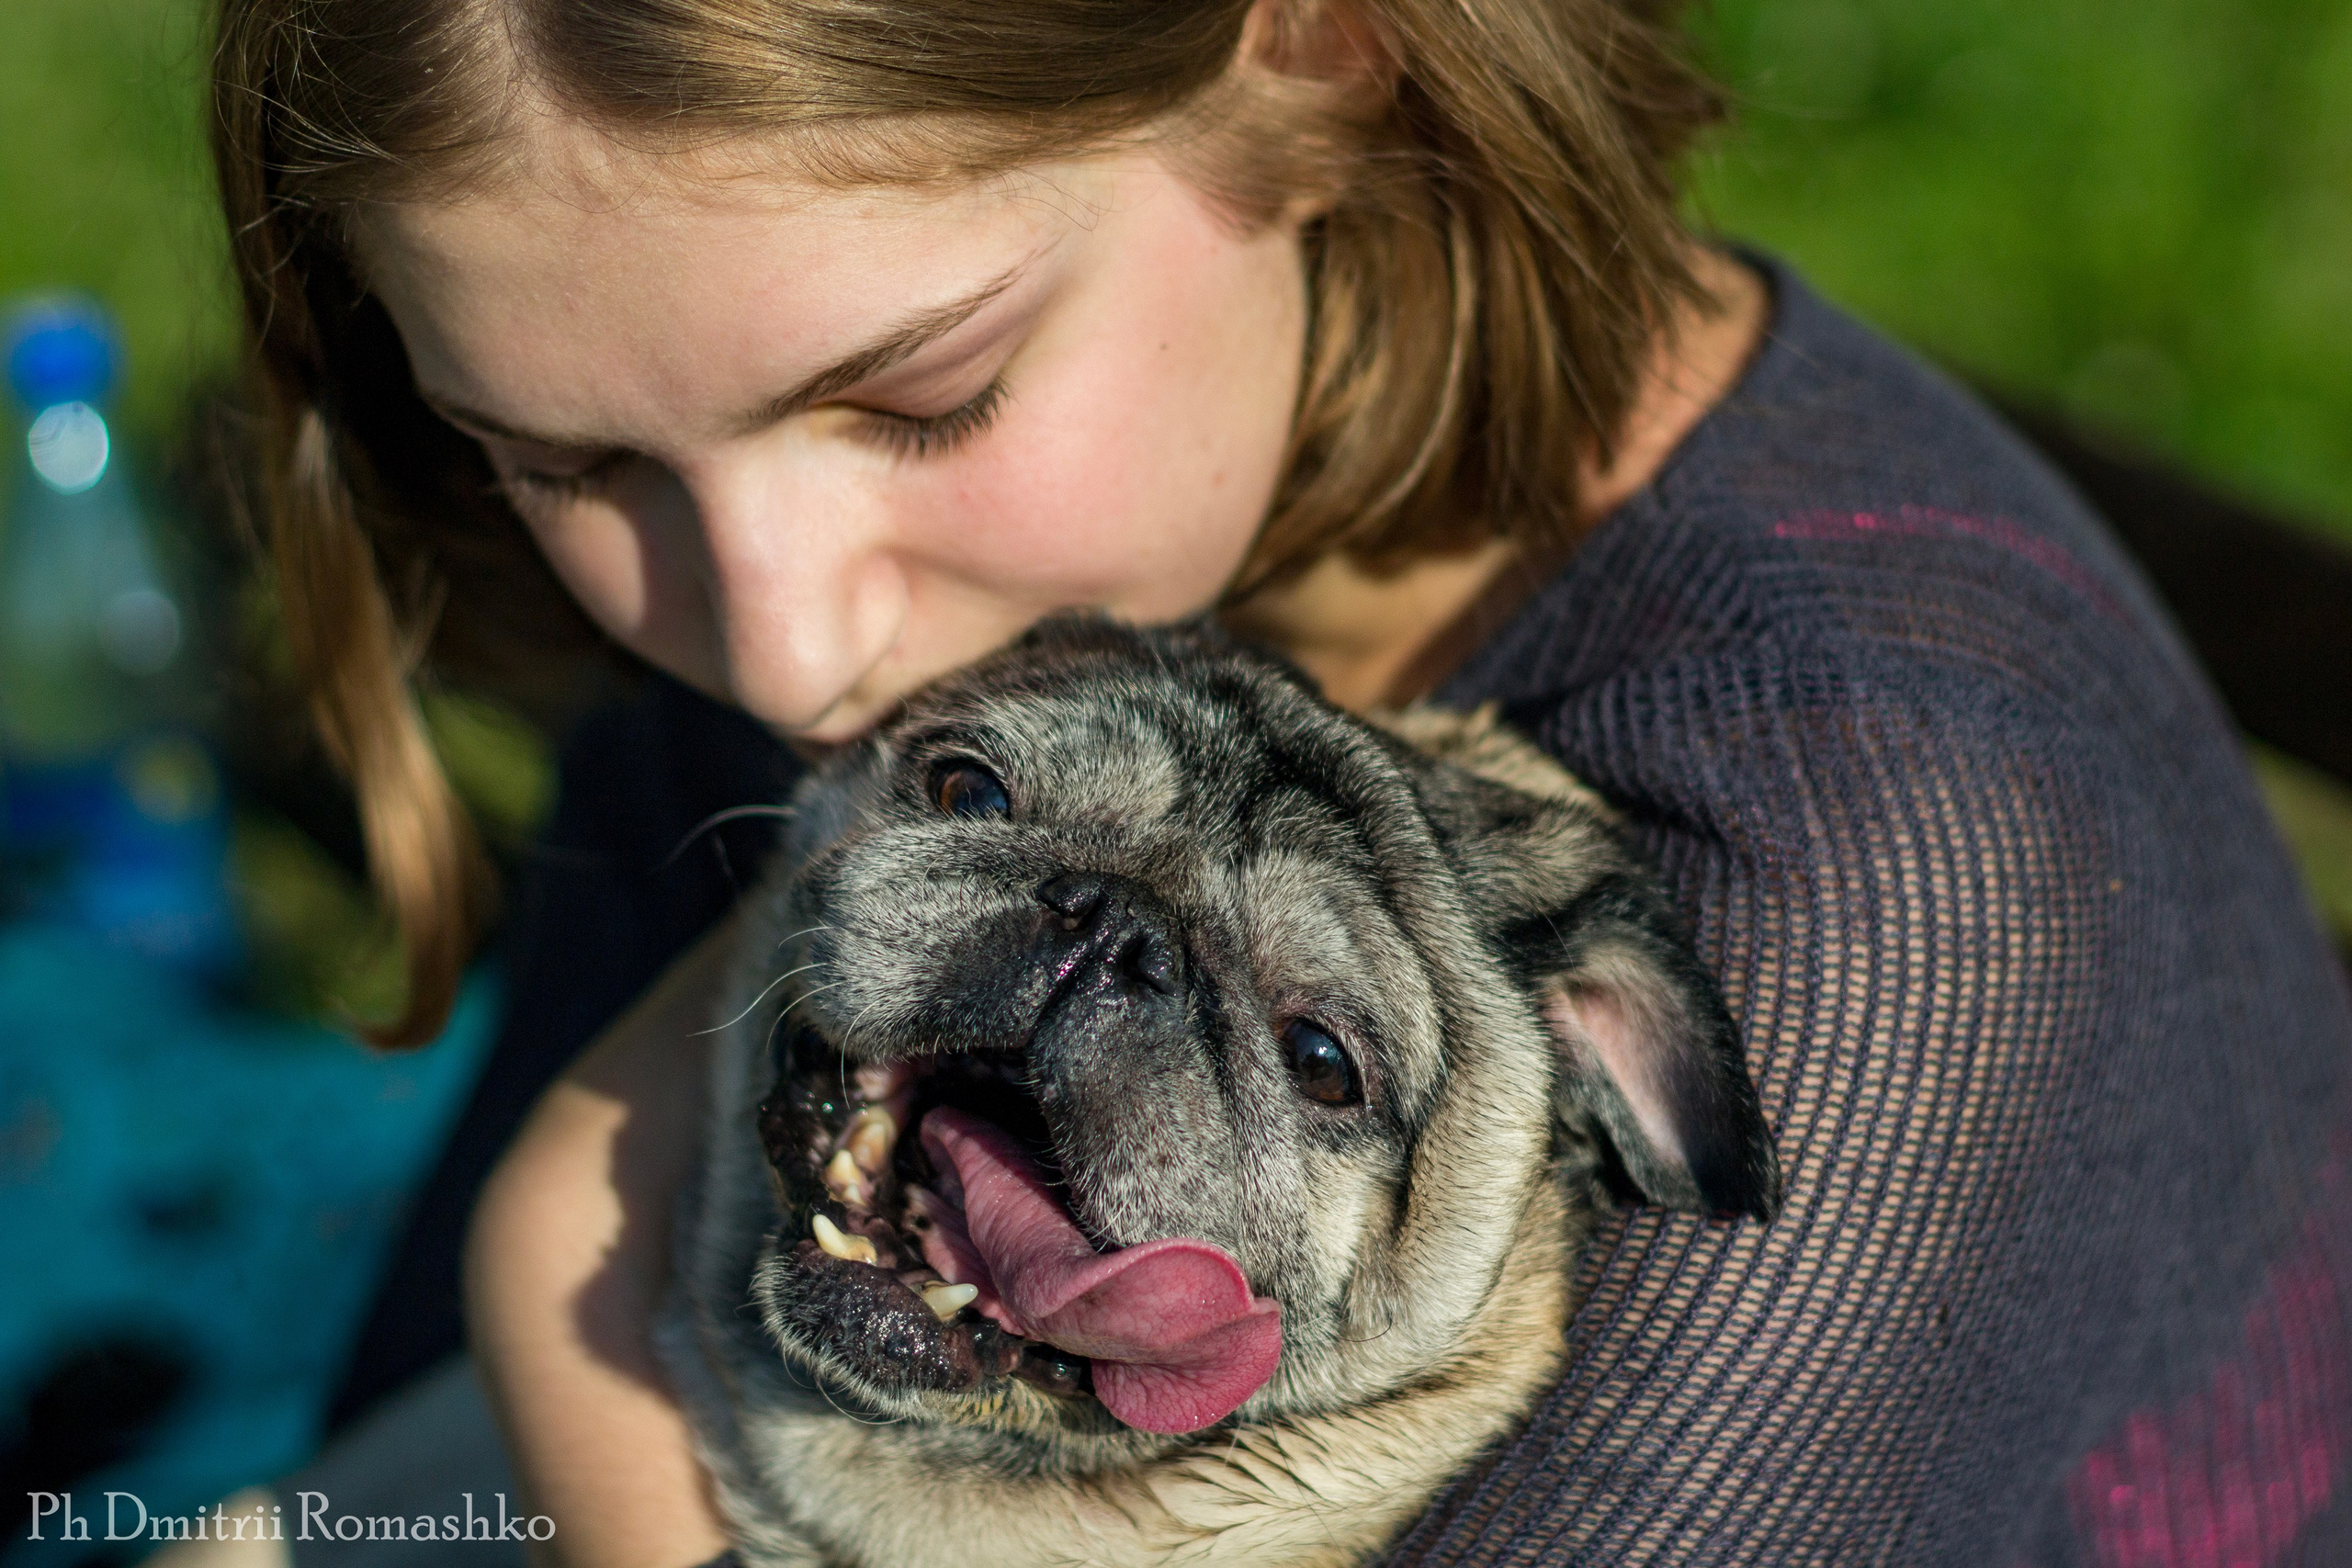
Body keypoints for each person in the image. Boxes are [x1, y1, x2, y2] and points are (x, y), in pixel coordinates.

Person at [195, 0, 2352, 1563]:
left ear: (1314, 49)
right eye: (566, 461)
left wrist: (553, 1269)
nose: (781, 642)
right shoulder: (864, 520)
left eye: (926, 394)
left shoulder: (1879, 890)